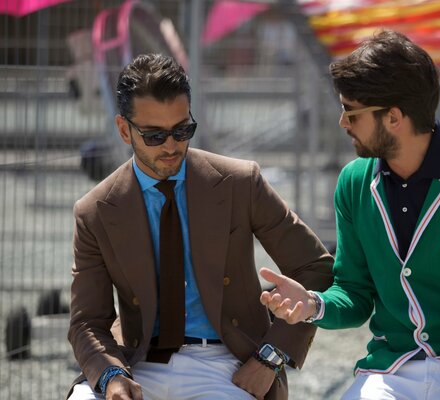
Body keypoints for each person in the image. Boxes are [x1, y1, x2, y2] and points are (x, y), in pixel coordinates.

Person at [260, 30, 440, 400]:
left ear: (394, 117)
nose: (343, 123)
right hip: (392, 369)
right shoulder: (353, 183)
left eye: (351, 112)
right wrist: (313, 305)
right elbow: (355, 294)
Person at [67, 53, 333, 400]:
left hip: (227, 363)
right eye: (154, 136)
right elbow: (87, 322)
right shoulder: (95, 211)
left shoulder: (240, 182)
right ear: (123, 130)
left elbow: (314, 267)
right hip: (137, 361)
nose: (172, 145)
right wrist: (111, 376)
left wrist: (270, 359)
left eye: (183, 130)